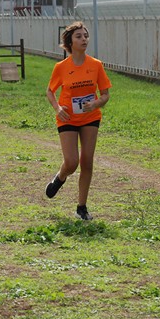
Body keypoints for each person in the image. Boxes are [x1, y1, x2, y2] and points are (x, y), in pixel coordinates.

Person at [45, 21, 112, 221]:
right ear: (70, 42)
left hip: (90, 117)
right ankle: (60, 177)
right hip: (68, 118)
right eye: (79, 36)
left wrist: (96, 104)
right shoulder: (61, 67)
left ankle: (81, 207)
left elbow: (106, 94)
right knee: (72, 162)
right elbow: (50, 91)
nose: (84, 39)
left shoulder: (96, 65)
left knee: (87, 162)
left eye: (85, 36)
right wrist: (58, 108)